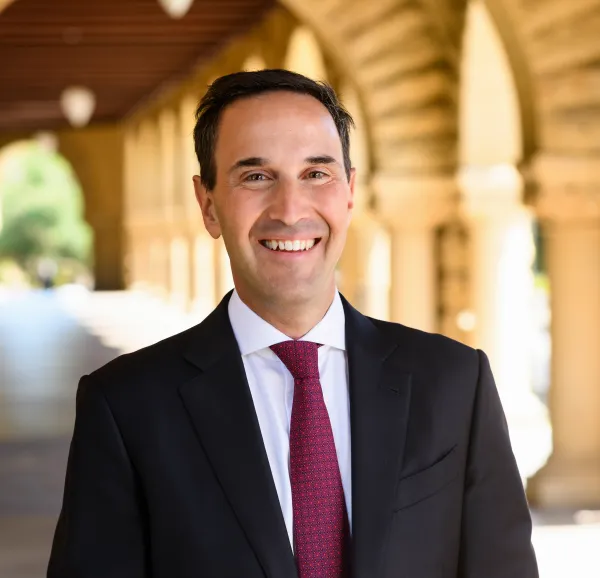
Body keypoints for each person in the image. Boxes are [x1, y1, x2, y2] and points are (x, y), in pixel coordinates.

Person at [48, 69, 539, 578]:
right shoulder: (127, 407)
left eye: (316, 173)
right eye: (256, 176)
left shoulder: (456, 383)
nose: (290, 209)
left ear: (349, 191)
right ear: (208, 205)